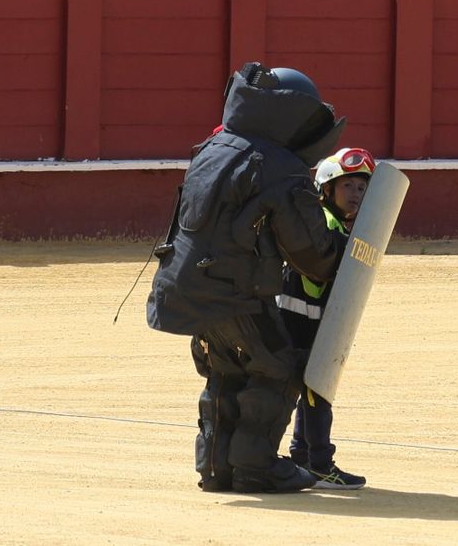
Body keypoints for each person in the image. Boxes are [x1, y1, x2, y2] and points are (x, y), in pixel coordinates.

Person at [146, 64, 346, 494]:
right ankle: (256, 468)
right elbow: (310, 251)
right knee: (275, 366)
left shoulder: (214, 145)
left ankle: (217, 470)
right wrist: (340, 256)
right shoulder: (281, 166)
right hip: (234, 290)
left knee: (226, 371)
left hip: (185, 285)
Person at [278, 146, 371, 490]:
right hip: (301, 326)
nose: (356, 194)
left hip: (310, 325)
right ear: (327, 188)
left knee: (312, 393)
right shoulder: (325, 225)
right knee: (319, 395)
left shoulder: (339, 227)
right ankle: (320, 463)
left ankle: (302, 455)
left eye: (362, 188)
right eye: (348, 186)